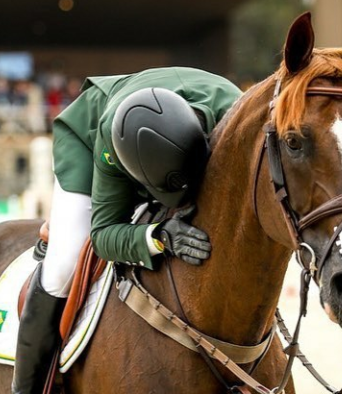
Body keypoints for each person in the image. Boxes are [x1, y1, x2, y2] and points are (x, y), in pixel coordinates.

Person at [12, 67, 241, 394]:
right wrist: (158, 237)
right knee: (63, 264)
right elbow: (104, 235)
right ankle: (26, 388)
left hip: (170, 121)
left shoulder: (236, 120)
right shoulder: (109, 144)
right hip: (89, 134)